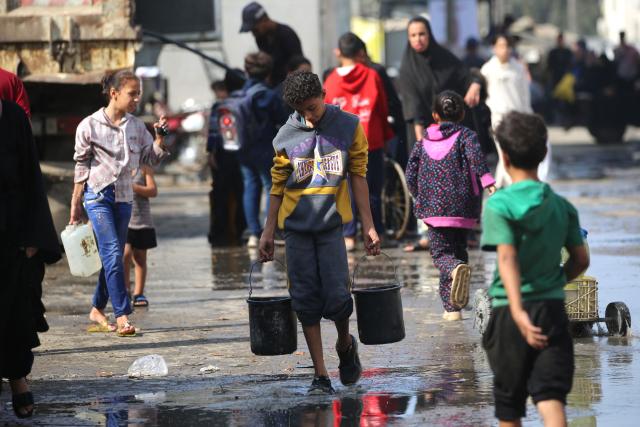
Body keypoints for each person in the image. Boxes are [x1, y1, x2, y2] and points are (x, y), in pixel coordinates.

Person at [258, 71, 381, 394]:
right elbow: (277, 186)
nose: (309, 118)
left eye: (313, 108)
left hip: (330, 228)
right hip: (296, 231)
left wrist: (368, 225)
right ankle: (321, 375)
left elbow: (358, 175)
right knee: (305, 300)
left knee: (339, 297)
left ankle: (344, 344)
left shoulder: (349, 126)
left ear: (324, 95)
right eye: (302, 111)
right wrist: (268, 231)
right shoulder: (285, 135)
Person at [481, 111, 590, 426]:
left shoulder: (499, 205)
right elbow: (581, 260)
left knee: (509, 405)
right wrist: (556, 280)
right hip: (551, 309)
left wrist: (517, 311)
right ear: (544, 154)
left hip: (508, 313)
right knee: (551, 396)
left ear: (504, 156)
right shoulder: (562, 206)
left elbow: (507, 258)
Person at [70, 70, 169, 337]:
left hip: (125, 198)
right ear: (114, 94)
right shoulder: (88, 125)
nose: (137, 98)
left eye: (139, 93)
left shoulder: (137, 126)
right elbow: (81, 167)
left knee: (109, 256)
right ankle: (123, 314)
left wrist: (159, 139)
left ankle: (96, 307)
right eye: (132, 93)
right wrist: (75, 204)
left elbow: (150, 159)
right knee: (114, 253)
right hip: (98, 196)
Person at [405, 91, 495, 321]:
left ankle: (455, 277)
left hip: (434, 209)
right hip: (463, 207)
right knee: (458, 250)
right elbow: (477, 159)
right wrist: (488, 183)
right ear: (462, 114)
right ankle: (452, 309)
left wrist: (418, 195)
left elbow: (410, 172)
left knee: (442, 255)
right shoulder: (467, 136)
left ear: (435, 115)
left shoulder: (423, 140)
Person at [397, 16, 482, 253]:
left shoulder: (445, 58)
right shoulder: (408, 67)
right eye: (413, 35)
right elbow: (413, 110)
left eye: (422, 34)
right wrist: (421, 145)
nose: (418, 39)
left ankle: (465, 229)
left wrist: (475, 85)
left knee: (457, 181)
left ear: (430, 34)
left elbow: (468, 75)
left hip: (453, 133)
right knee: (426, 184)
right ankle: (427, 232)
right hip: (425, 136)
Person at [1, 99, 61, 418]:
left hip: (11, 234)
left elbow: (30, 177)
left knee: (16, 312)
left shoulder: (11, 117)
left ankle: (18, 380)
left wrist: (34, 236)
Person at [324, 32, 394, 251]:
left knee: (344, 189)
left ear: (338, 53)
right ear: (360, 53)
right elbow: (383, 107)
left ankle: (349, 235)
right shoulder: (372, 75)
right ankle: (376, 232)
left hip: (340, 142)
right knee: (371, 189)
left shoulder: (331, 79)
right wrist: (385, 133)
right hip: (369, 139)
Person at [481, 34, 551, 188]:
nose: (504, 50)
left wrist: (529, 118)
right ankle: (505, 187)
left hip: (518, 119)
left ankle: (502, 187)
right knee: (503, 153)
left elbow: (525, 96)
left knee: (512, 154)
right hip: (498, 119)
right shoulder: (487, 70)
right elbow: (484, 96)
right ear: (494, 48)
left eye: (507, 46)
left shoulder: (518, 69)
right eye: (500, 46)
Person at [235, 52, 287, 248]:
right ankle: (269, 230)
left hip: (242, 148)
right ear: (268, 72)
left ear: (247, 71)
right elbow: (281, 120)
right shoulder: (268, 95)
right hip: (265, 147)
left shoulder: (240, 93)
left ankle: (254, 233)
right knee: (270, 187)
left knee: (250, 186)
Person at [207, 71, 247, 246]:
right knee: (242, 193)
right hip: (244, 154)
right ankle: (241, 229)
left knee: (221, 195)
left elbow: (214, 132)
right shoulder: (247, 103)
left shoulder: (221, 106)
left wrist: (211, 152)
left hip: (224, 154)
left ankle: (220, 232)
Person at [240, 1, 303, 86]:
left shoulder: (287, 34)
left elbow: (300, 66)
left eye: (255, 29)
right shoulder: (261, 38)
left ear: (264, 20)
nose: (253, 34)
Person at [123, 165, 158, 307]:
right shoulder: (119, 167)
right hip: (124, 220)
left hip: (142, 220)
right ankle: (125, 291)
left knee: (140, 257)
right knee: (124, 255)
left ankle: (138, 293)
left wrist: (135, 187)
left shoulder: (144, 168)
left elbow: (153, 191)